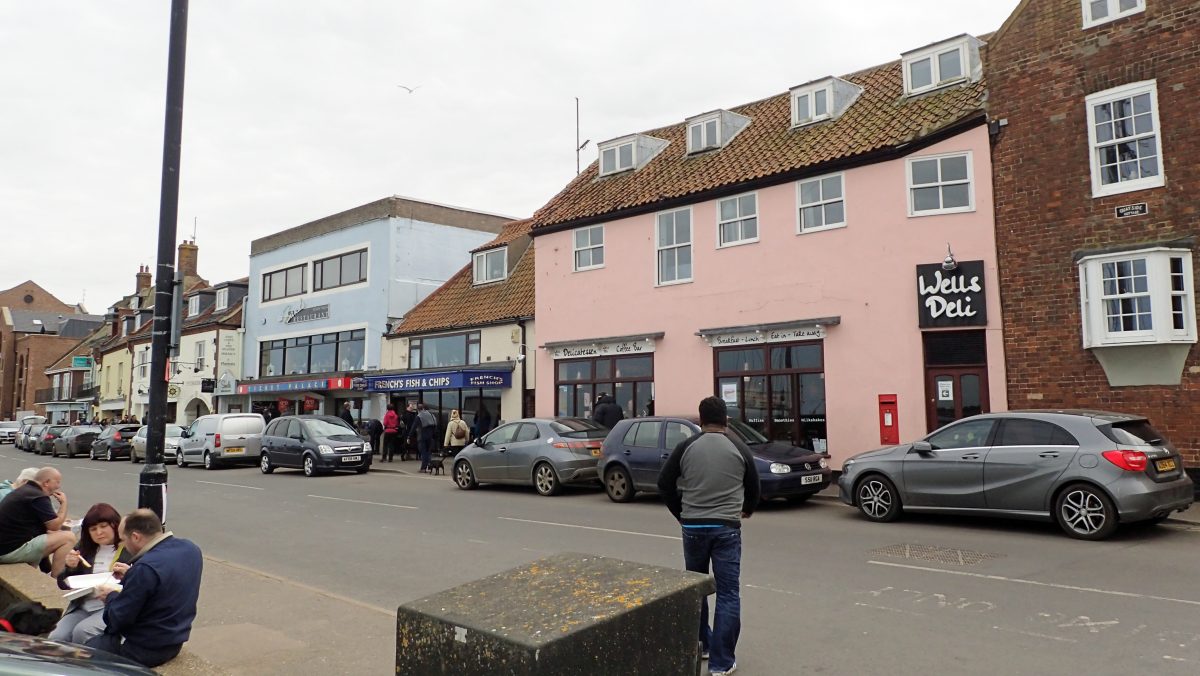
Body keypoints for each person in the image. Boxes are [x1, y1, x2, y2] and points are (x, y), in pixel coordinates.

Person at [657, 396, 760, 676]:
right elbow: (753, 484)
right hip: (726, 528)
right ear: (725, 420)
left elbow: (664, 483)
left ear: (699, 421)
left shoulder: (686, 446)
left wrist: (682, 513)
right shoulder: (738, 447)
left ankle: (703, 644)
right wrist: (746, 510)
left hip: (693, 528)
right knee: (727, 593)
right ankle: (722, 663)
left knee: (698, 588)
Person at [85, 509, 203, 668]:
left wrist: (110, 596)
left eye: (124, 540)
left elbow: (117, 620)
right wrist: (131, 575)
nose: (124, 545)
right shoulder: (191, 549)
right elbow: (166, 584)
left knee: (84, 651)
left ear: (135, 537)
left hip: (142, 648)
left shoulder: (145, 568)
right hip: (174, 640)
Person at [50, 503, 134, 644]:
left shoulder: (129, 549)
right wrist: (70, 568)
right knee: (56, 636)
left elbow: (141, 584)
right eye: (93, 529)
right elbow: (62, 584)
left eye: (103, 526)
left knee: (82, 631)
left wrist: (128, 575)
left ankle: (85, 664)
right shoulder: (84, 549)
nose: (99, 533)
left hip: (111, 606)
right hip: (83, 605)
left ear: (115, 525)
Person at [0, 467, 76, 576]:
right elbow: (55, 526)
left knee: (51, 536)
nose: (58, 486)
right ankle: (57, 582)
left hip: (5, 546)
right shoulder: (38, 496)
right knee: (69, 538)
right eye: (57, 482)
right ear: (46, 483)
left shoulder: (25, 490)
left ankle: (44, 573)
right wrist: (64, 504)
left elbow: (43, 529)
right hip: (7, 552)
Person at [415, 404, 437, 472]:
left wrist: (409, 436)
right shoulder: (431, 415)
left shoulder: (419, 416)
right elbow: (435, 425)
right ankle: (429, 466)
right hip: (430, 436)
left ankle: (423, 468)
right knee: (428, 452)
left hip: (422, 437)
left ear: (418, 410)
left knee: (423, 452)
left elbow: (414, 426)